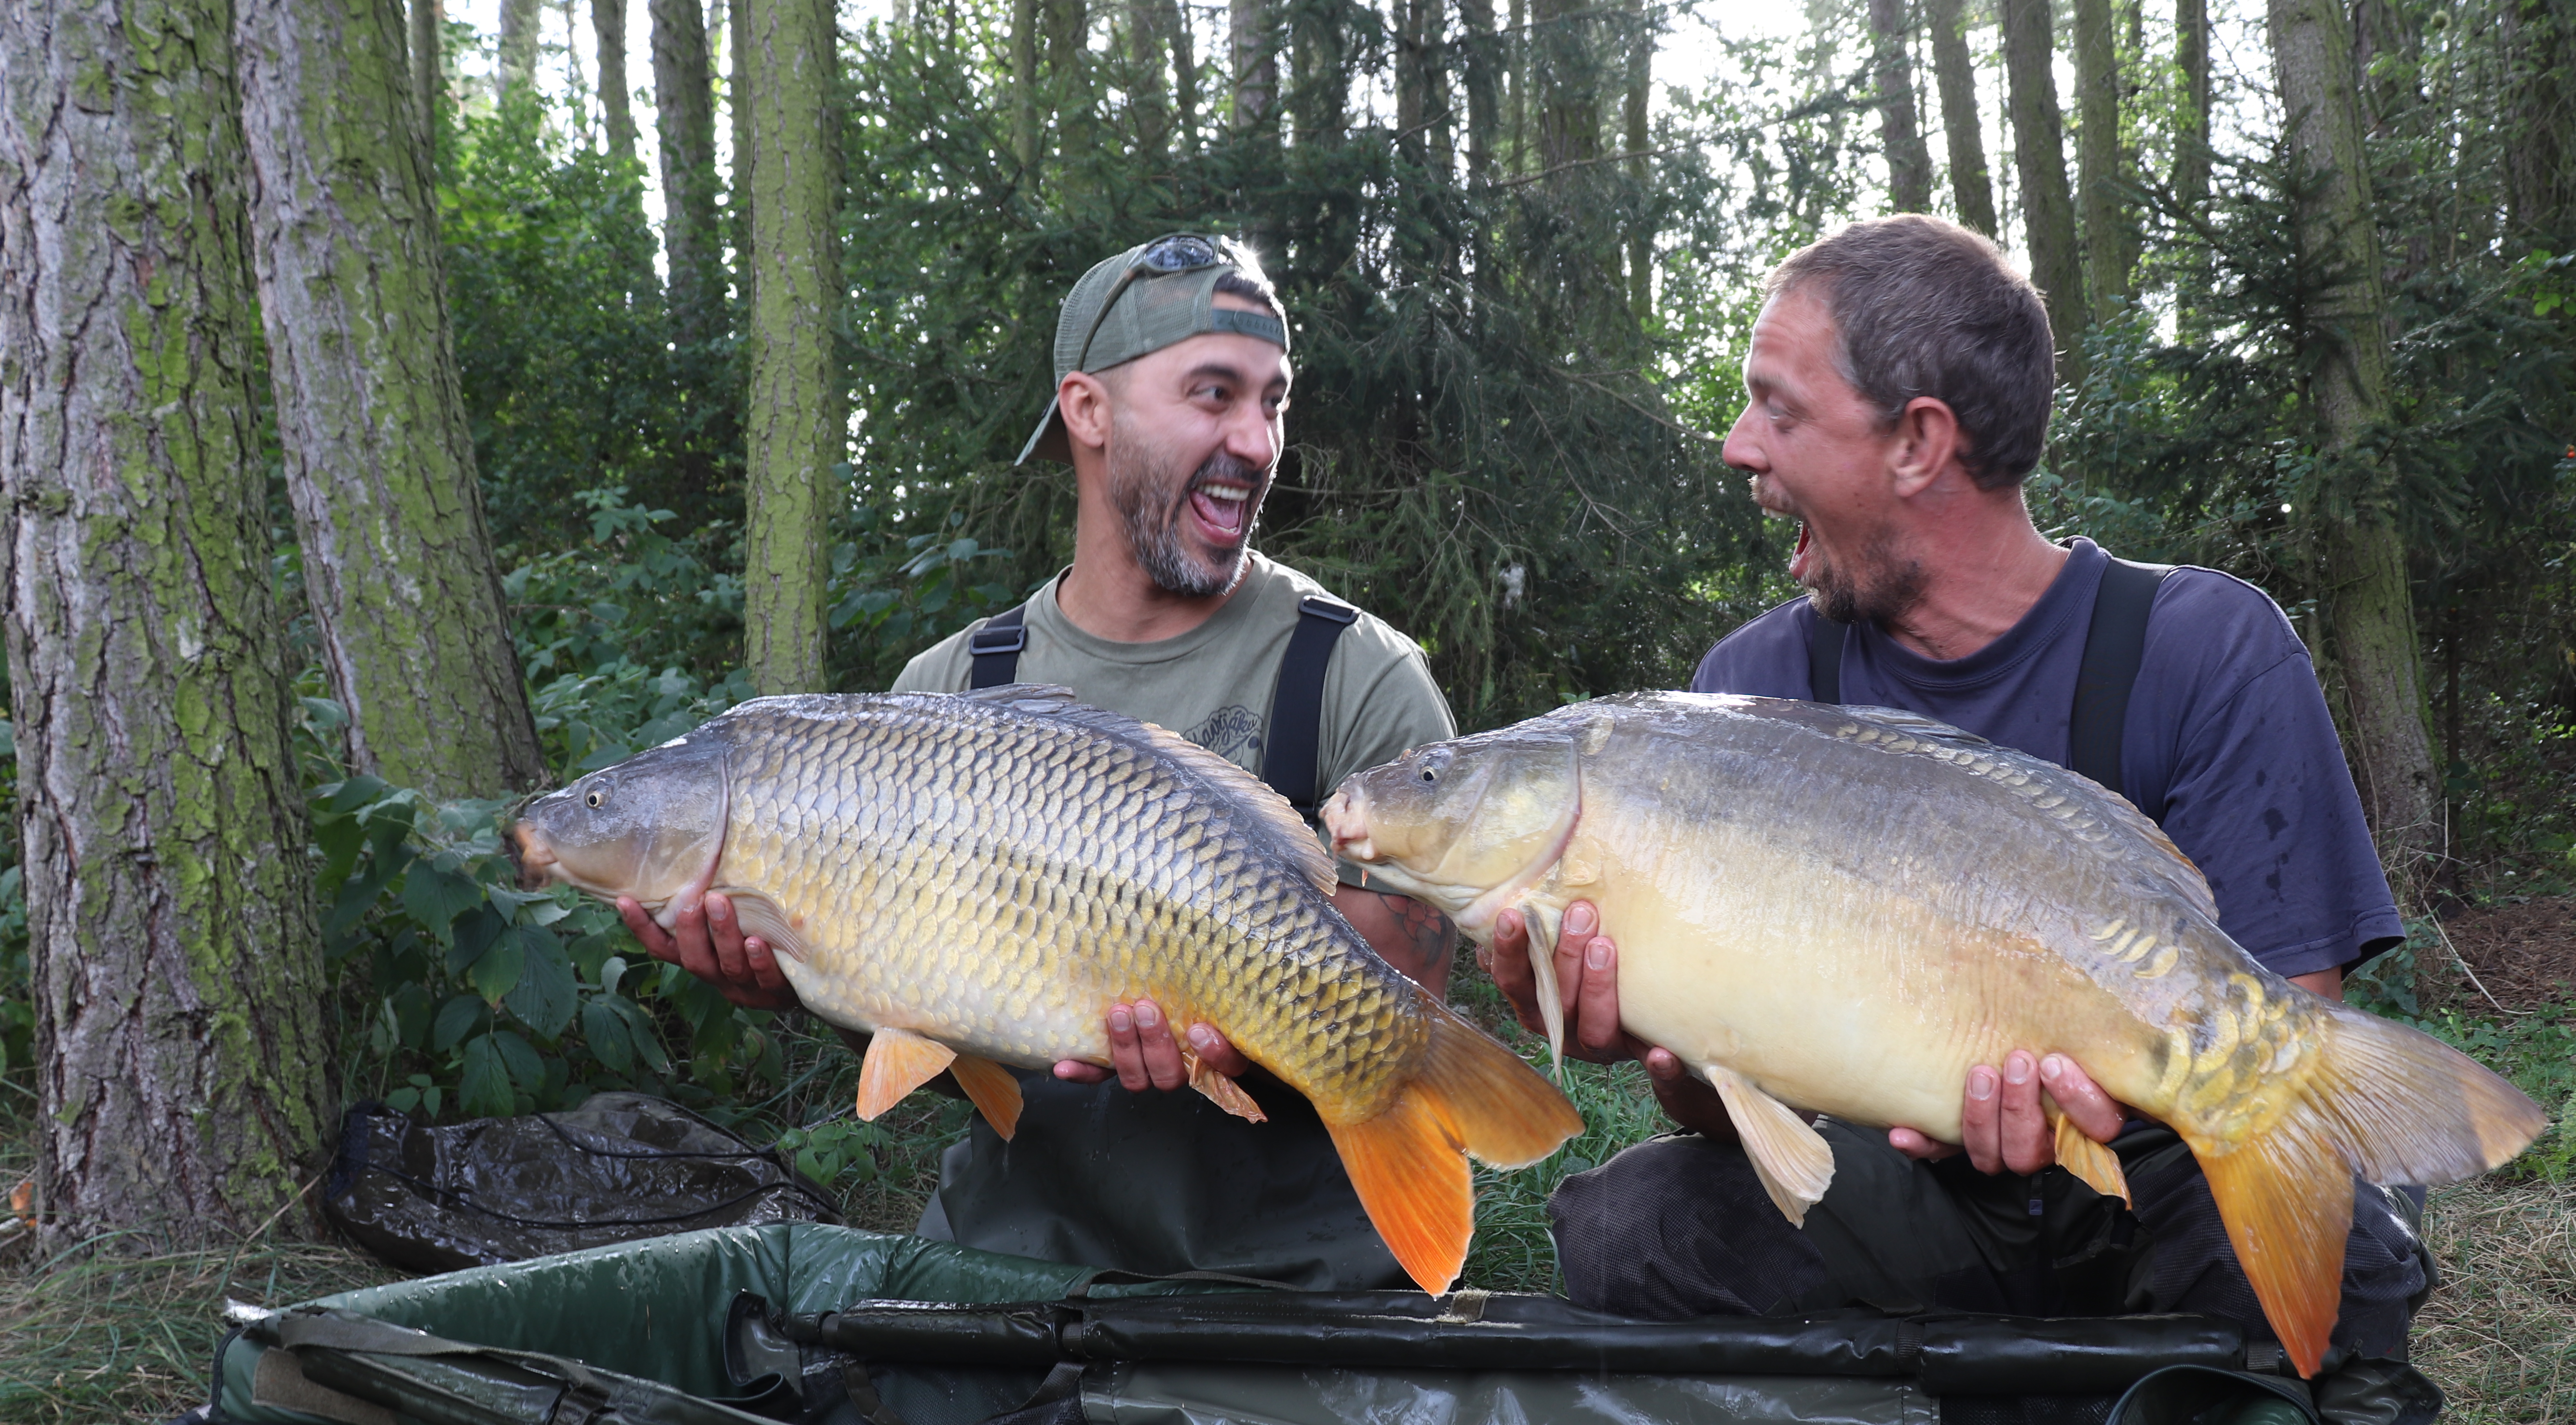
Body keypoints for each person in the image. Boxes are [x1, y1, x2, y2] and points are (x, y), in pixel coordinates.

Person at [1495, 214, 2434, 1364]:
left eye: (1778, 408)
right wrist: (1657, 1046)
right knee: (1632, 1226)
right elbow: (1726, 1109)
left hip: (2141, 1178)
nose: (1741, 446)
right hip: (1894, 1193)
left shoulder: (2205, 647)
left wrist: (2115, 1106)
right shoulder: (1747, 692)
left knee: (2337, 1239)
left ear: (1918, 443)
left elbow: (2298, 1002)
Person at [627, 232, 1460, 1288]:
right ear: (1088, 411)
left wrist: (1230, 1030)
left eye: (1274, 400)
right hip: (1020, 1253)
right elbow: (922, 1031)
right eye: (1213, 394)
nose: (1257, 441)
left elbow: (1402, 988)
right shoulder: (946, 689)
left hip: (1292, 1275)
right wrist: (790, 981)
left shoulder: (1357, 672)